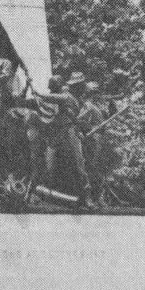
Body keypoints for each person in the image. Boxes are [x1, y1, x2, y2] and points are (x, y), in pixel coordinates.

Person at [34, 71, 96, 209]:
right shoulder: (67, 95)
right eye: (79, 86)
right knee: (49, 162)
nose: (82, 88)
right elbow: (52, 97)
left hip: (71, 131)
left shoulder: (77, 98)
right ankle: (43, 191)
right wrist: (38, 94)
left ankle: (87, 197)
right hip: (60, 131)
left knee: (79, 164)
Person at [77, 81, 107, 208]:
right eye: (96, 93)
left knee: (97, 168)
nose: (99, 95)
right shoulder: (88, 106)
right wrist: (90, 128)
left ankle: (98, 196)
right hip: (92, 139)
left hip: (99, 139)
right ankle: (89, 197)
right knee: (91, 167)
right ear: (92, 93)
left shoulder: (96, 106)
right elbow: (78, 120)